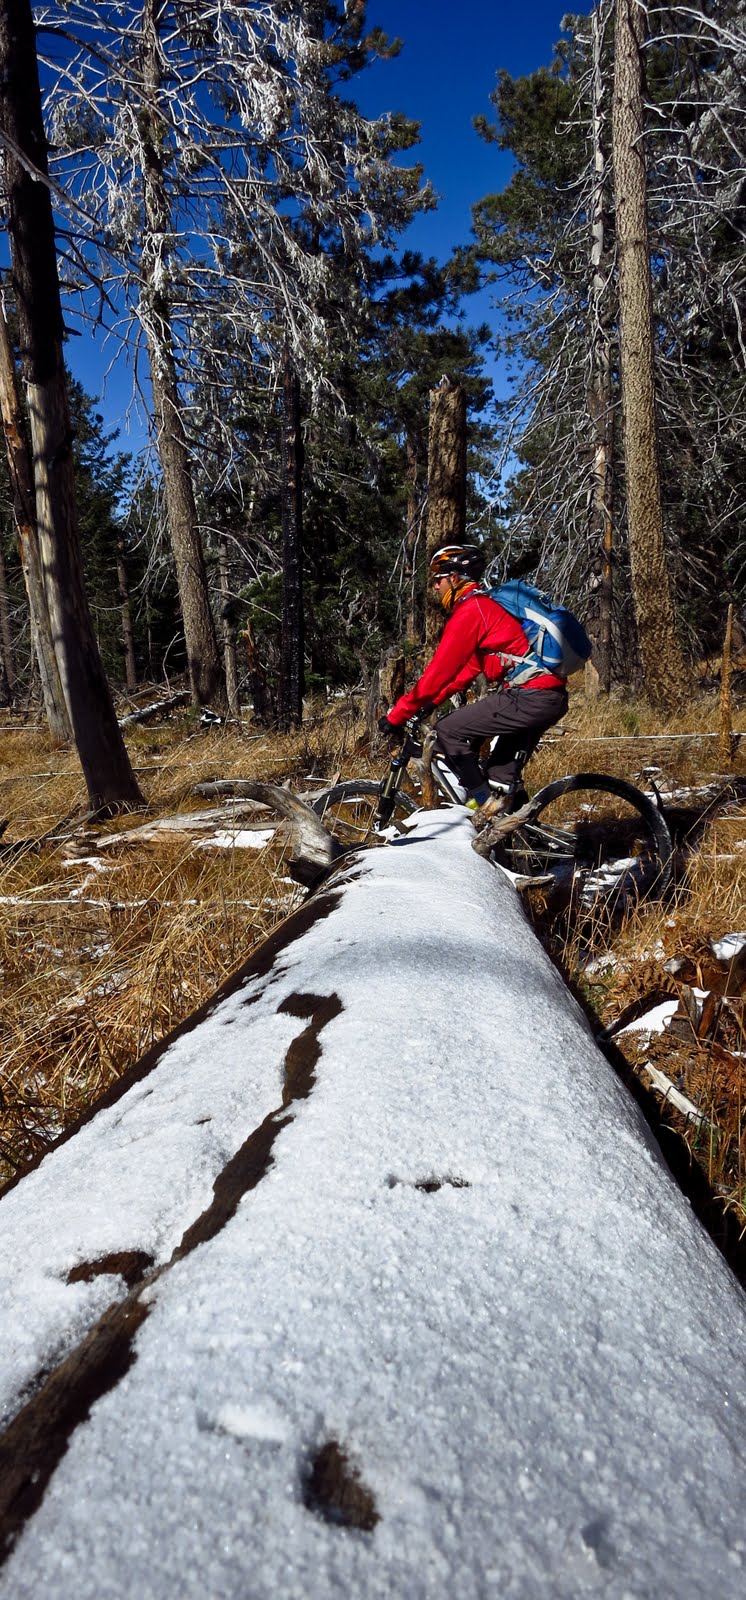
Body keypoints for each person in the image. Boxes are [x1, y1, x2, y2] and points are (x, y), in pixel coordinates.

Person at [378, 544, 568, 822]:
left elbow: (438, 673)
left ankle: (484, 810)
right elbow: (469, 669)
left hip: (530, 697)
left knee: (446, 731)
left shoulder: (472, 611)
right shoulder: (484, 607)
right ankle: (523, 837)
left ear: (454, 578)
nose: (435, 586)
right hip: (545, 697)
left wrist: (397, 714)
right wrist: (431, 703)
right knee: (500, 776)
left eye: (438, 579)